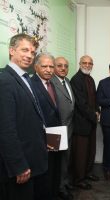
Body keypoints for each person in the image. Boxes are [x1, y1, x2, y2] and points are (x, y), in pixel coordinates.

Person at [0, 33, 48, 200]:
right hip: (21, 166)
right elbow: (6, 129)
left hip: (34, 158)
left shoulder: (25, 78)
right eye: (25, 50)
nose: (29, 56)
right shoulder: (4, 80)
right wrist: (18, 165)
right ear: (12, 51)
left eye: (33, 52)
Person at [31, 52, 62, 200]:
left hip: (55, 134)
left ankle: (53, 194)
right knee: (44, 173)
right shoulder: (32, 85)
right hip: (41, 137)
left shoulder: (52, 83)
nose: (49, 70)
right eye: (44, 66)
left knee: (55, 168)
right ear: (36, 67)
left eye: (51, 66)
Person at [70, 55, 99, 189]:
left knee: (90, 150)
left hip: (91, 121)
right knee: (80, 153)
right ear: (80, 63)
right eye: (85, 63)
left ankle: (88, 173)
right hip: (82, 123)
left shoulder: (90, 79)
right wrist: (94, 115)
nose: (87, 65)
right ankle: (79, 179)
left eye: (90, 63)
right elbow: (81, 104)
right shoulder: (76, 80)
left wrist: (98, 110)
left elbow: (95, 98)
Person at [51, 57, 75, 200]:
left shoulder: (67, 81)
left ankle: (64, 182)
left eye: (65, 66)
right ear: (53, 67)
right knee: (57, 160)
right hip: (56, 129)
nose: (63, 68)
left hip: (69, 127)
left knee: (66, 158)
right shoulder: (51, 82)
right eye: (59, 65)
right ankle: (59, 188)